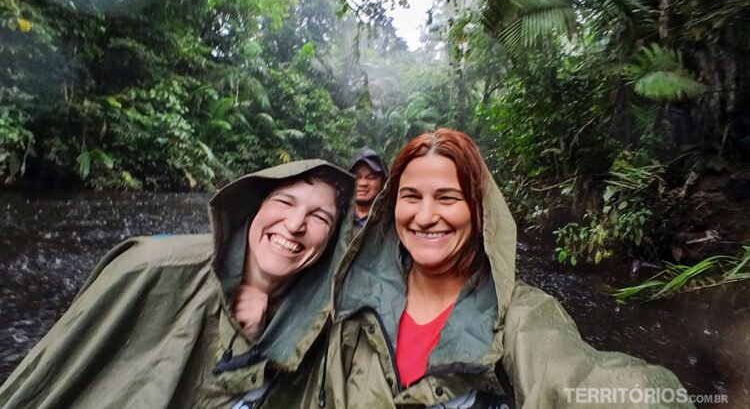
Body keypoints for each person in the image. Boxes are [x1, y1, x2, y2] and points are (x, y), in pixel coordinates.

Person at [323, 129, 691, 408]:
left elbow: (578, 382)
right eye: (411, 197)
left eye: (447, 198)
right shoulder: (353, 304)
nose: (425, 216)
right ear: (393, 206)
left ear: (479, 210)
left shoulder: (519, 314)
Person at [0, 160, 353, 408]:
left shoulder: (325, 326)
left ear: (333, 242)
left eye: (319, 217)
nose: (295, 224)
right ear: (254, 208)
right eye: (284, 202)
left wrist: (258, 337)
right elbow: (47, 379)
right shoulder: (152, 269)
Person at [348, 147, 388, 232]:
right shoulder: (337, 217)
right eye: (357, 177)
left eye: (371, 177)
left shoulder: (391, 221)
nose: (363, 183)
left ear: (383, 182)